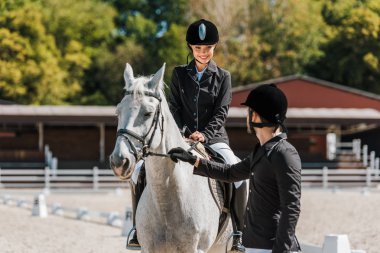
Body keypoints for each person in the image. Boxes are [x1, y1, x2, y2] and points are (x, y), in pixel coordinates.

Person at [168, 84, 302, 253]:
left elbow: (291, 206)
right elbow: (230, 173)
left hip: (272, 246)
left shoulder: (284, 153)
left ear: (256, 116)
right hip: (253, 244)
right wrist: (194, 160)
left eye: (249, 112)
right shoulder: (260, 151)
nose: (247, 116)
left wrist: (281, 250)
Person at [166, 18, 248, 252]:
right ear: (191, 48)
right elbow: (174, 106)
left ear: (214, 47)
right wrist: (185, 132)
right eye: (198, 48)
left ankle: (239, 234)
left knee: (240, 176)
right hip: (182, 137)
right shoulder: (179, 74)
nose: (203, 53)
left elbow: (221, 111)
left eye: (208, 48)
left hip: (214, 139)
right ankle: (137, 231)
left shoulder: (223, 76)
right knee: (141, 171)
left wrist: (205, 134)